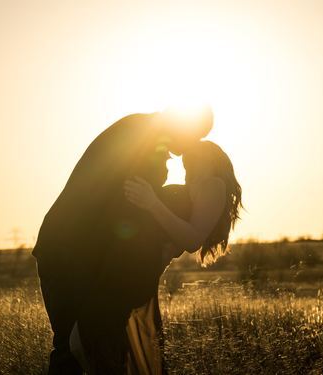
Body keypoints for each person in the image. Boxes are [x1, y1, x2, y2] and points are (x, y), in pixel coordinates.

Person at [32, 108, 213, 374]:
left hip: (78, 250)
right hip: (71, 252)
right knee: (76, 349)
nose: (187, 148)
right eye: (193, 136)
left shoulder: (145, 134)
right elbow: (129, 212)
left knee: (89, 347)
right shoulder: (142, 140)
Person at [122, 140, 242, 373]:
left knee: (123, 349)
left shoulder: (213, 184)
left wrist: (152, 202)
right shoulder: (197, 185)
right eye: (186, 166)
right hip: (137, 270)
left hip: (139, 273)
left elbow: (192, 239)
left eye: (191, 162)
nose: (187, 171)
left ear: (206, 160)